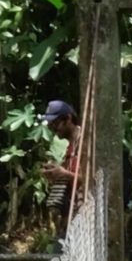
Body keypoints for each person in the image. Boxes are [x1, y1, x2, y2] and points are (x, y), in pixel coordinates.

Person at [42, 99, 81, 235]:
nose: (53, 128)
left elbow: (94, 180)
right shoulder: (70, 148)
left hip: (85, 217)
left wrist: (65, 175)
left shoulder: (85, 144)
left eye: (55, 123)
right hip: (72, 217)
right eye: (50, 125)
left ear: (68, 119)